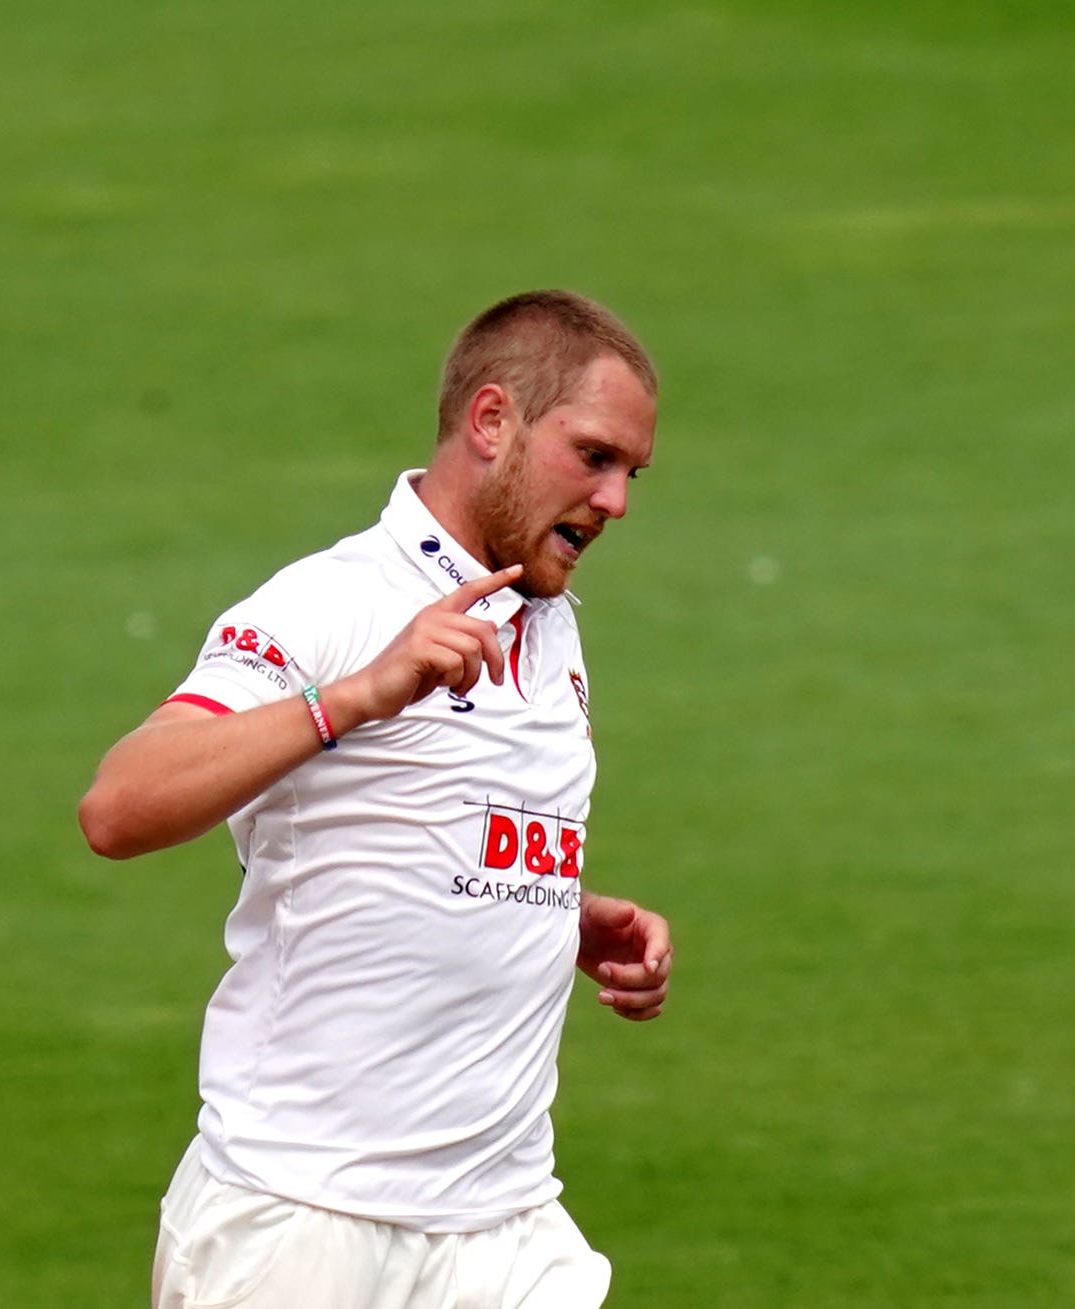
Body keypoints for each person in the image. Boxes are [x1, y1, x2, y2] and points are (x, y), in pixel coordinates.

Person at [79, 290, 673, 1309]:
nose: (616, 499)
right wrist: (352, 697)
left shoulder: (548, 621)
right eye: (594, 456)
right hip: (304, 1223)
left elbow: (413, 827)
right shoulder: (332, 603)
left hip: (503, 1221)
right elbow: (119, 805)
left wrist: (551, 913)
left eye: (632, 471)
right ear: (492, 422)